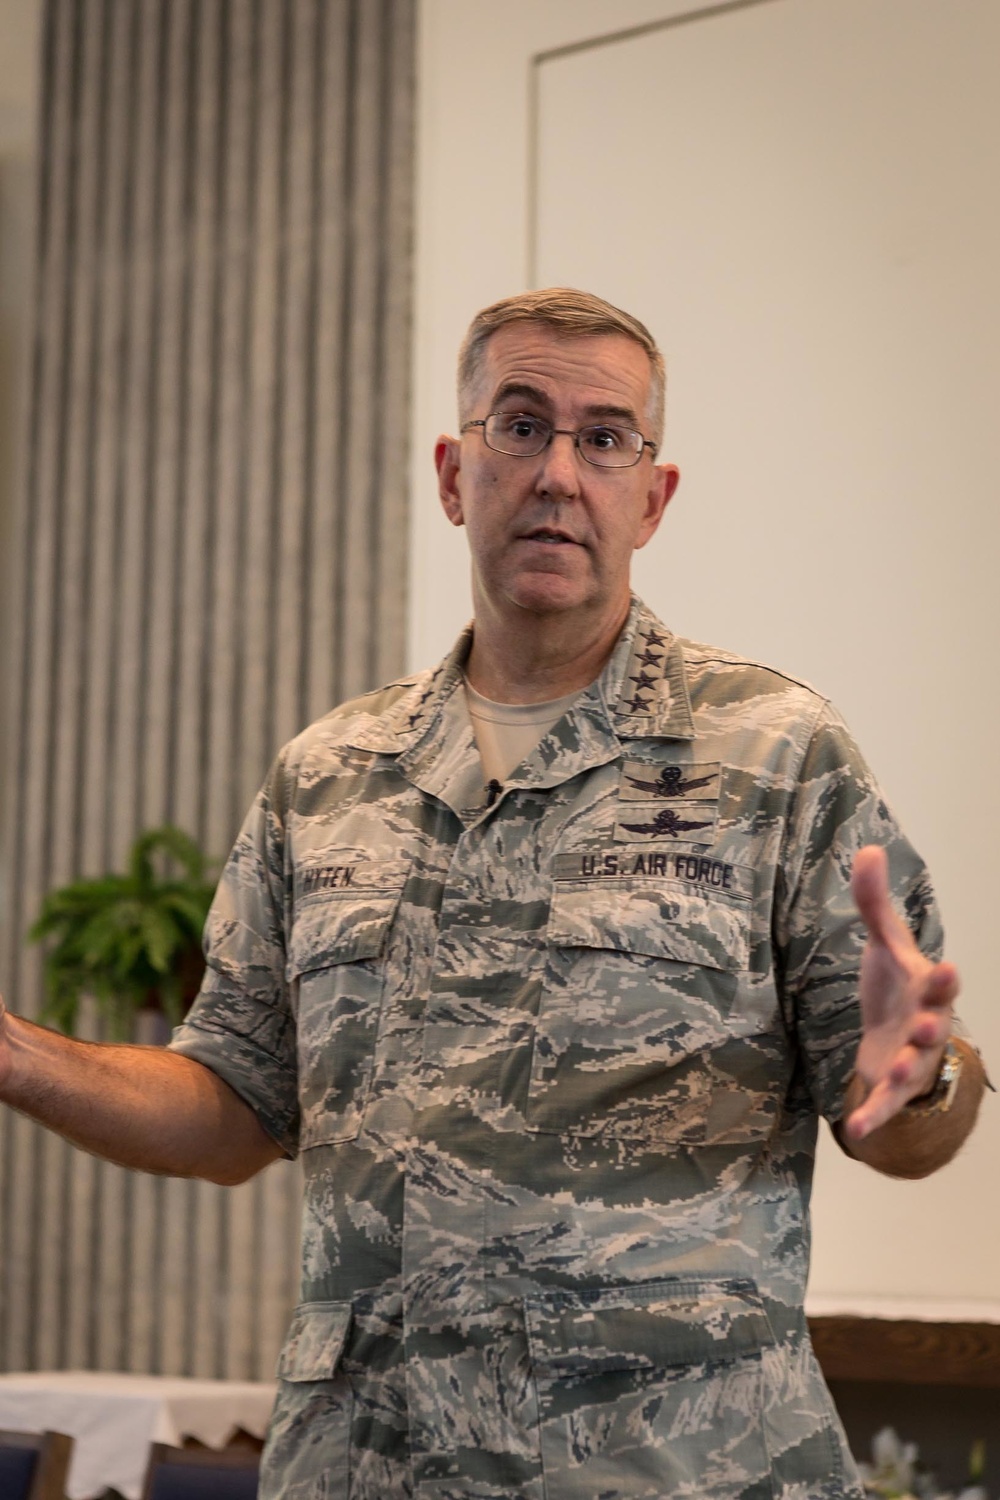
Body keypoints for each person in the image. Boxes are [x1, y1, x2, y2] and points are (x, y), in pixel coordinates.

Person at [0, 288, 987, 1499]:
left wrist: (921, 1075)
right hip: (369, 1466)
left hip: (679, 1468)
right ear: (453, 474)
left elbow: (905, 1123)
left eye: (604, 437)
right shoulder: (327, 776)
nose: (560, 471)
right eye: (518, 426)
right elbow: (232, 1107)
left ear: (652, 496)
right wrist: (16, 1055)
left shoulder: (775, 754)